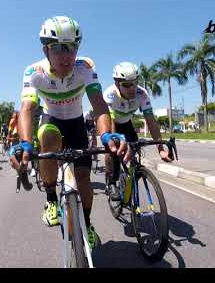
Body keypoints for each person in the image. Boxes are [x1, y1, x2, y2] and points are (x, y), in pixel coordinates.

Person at [9, 16, 130, 249]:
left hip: (76, 124)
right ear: (46, 50)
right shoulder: (34, 72)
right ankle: (51, 200)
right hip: (51, 120)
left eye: (72, 48)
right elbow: (27, 108)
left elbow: (99, 105)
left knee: (84, 179)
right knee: (48, 137)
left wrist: (106, 135)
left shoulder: (85, 67)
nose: (66, 56)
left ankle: (86, 222)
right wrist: (25, 143)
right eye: (58, 49)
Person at [103, 61, 173, 202]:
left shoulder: (142, 94)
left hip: (127, 123)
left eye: (135, 83)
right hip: (112, 123)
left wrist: (160, 148)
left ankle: (128, 176)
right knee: (113, 152)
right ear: (117, 84)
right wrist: (116, 143)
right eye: (127, 85)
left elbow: (151, 121)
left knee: (134, 148)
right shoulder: (110, 95)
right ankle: (111, 182)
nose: (132, 88)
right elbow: (110, 123)